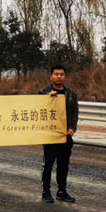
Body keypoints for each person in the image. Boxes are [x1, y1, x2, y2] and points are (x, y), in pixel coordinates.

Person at [38, 64, 79, 203]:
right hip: (50, 136)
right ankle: (46, 192)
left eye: (62, 74)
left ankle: (62, 191)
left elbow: (74, 113)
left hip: (65, 136)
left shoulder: (72, 95)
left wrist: (72, 128)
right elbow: (38, 111)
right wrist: (48, 99)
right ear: (51, 76)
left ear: (65, 76)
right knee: (48, 164)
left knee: (63, 165)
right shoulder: (43, 93)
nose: (59, 76)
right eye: (56, 74)